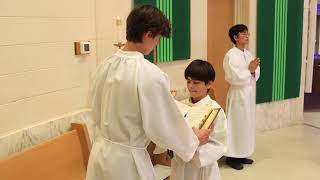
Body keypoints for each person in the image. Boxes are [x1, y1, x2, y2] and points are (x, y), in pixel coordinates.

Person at [86, 5, 211, 180]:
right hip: (127, 163)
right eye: (158, 38)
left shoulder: (104, 65)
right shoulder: (149, 74)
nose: (157, 43)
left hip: (100, 153)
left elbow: (94, 107)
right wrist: (193, 140)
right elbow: (163, 126)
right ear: (148, 35)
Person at [170, 59, 227, 180]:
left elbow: (220, 144)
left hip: (201, 167)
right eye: (188, 81)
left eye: (196, 82)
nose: (190, 86)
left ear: (209, 84)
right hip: (180, 163)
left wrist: (193, 150)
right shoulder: (181, 105)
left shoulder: (214, 110)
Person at [223, 24, 260, 170]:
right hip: (238, 94)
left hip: (248, 93)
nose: (247, 36)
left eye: (247, 33)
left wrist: (253, 71)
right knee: (236, 125)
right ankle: (231, 156)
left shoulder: (248, 54)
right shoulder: (230, 55)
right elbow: (232, 77)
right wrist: (249, 70)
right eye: (243, 34)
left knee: (246, 124)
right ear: (235, 37)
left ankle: (242, 153)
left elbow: (255, 73)